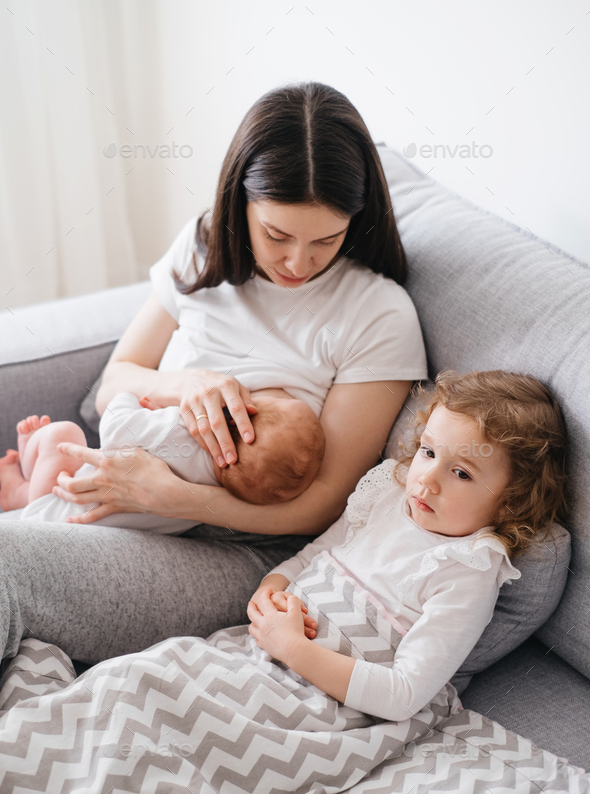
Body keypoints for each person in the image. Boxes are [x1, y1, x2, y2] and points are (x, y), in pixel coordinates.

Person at [0, 81, 428, 665]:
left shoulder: (378, 314)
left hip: (237, 549)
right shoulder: (204, 246)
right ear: (240, 202)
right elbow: (113, 384)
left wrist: (173, 496)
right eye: (276, 234)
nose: (298, 264)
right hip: (118, 497)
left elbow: (326, 502)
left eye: (327, 239)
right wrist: (185, 384)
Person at [246, 369, 569, 719]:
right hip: (265, 656)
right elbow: (315, 554)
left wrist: (293, 648)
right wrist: (270, 589)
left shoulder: (467, 569)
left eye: (461, 473)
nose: (427, 480)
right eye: (428, 452)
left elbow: (402, 695)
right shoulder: (387, 494)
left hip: (328, 709)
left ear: (511, 500)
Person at [0, 386, 325, 534]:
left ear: (237, 419)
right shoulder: (217, 493)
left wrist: (135, 402)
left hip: (56, 505)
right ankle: (23, 494)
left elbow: (114, 423)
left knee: (63, 436)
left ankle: (20, 490)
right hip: (80, 532)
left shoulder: (177, 430)